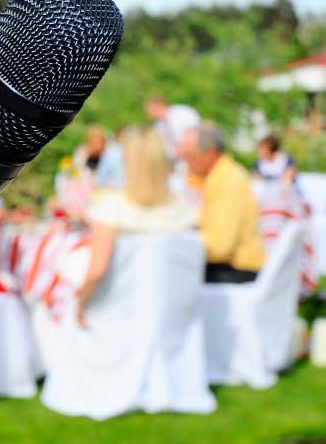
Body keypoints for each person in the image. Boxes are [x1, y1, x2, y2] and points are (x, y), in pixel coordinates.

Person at [75, 127, 197, 325]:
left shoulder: (111, 207)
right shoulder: (184, 210)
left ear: (126, 161)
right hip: (173, 318)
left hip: (120, 317)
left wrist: (79, 304)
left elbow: (96, 271)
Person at [179, 123, 265, 283]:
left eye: (189, 155)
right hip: (224, 266)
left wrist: (178, 242)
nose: (185, 162)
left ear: (209, 154)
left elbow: (220, 248)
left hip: (239, 270)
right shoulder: (210, 176)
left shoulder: (230, 180)